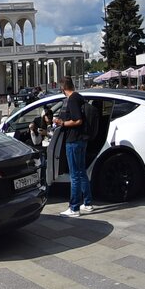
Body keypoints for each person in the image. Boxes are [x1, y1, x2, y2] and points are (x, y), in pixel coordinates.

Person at [54, 77, 92, 217]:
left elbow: (77, 120)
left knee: (74, 175)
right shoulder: (80, 97)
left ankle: (74, 207)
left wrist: (62, 123)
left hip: (73, 140)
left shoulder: (72, 100)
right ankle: (87, 203)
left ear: (63, 89)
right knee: (82, 172)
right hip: (82, 140)